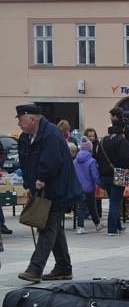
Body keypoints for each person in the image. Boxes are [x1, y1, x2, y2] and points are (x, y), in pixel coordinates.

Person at [15, 104, 83, 283]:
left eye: (21, 120)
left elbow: (51, 159)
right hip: (44, 189)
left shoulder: (51, 134)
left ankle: (35, 269)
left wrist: (42, 178)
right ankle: (63, 267)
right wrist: (29, 185)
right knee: (54, 229)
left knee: (47, 228)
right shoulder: (27, 137)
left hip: (57, 189)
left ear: (32, 118)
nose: (19, 125)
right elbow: (26, 164)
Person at [96, 121, 129, 235]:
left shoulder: (103, 141)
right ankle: (112, 229)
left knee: (113, 200)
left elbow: (98, 158)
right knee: (116, 202)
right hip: (120, 172)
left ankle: (118, 226)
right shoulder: (122, 140)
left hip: (105, 174)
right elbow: (126, 158)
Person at [73, 137, 103, 234]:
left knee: (81, 207)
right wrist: (101, 184)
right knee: (92, 206)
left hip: (78, 188)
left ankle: (80, 227)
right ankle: (97, 224)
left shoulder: (75, 161)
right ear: (90, 149)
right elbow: (95, 175)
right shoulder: (92, 161)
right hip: (90, 188)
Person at [84, 127, 103, 218]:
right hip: (86, 172)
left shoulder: (98, 145)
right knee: (88, 193)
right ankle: (88, 212)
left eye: (93, 136)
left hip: (95, 170)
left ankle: (98, 212)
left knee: (97, 193)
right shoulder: (84, 146)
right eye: (89, 136)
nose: (91, 138)